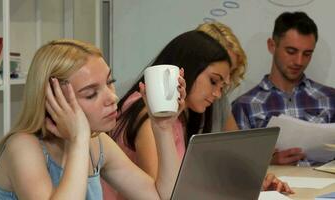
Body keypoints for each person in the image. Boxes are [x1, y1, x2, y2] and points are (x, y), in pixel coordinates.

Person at [0, 39, 186, 200]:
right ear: (52, 101)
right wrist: (78, 141)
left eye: (109, 82)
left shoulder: (97, 143)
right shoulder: (23, 147)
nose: (112, 97)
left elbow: (162, 196)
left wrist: (163, 127)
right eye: (90, 94)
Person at [103, 30, 293, 199]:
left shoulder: (181, 114)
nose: (217, 94)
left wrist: (246, 185)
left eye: (222, 87)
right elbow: (163, 194)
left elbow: (185, 183)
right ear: (188, 69)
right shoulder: (149, 112)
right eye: (213, 81)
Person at [231, 11, 335, 165]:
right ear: (272, 46)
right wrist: (267, 162)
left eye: (307, 54)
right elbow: (237, 166)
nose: (299, 61)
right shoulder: (244, 106)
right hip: (274, 187)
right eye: (291, 51)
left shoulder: (330, 99)